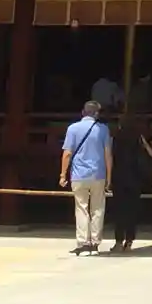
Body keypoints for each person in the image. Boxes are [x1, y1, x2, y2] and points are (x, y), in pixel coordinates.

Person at [60, 101, 113, 256]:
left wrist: (63, 174)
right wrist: (109, 177)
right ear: (97, 114)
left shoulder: (72, 128)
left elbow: (67, 153)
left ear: (83, 112)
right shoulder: (103, 129)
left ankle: (83, 242)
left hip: (78, 174)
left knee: (81, 208)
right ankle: (95, 243)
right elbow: (108, 155)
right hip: (98, 174)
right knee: (98, 208)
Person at [109, 113, 152, 253]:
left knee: (119, 211)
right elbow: (151, 154)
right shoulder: (138, 137)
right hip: (135, 178)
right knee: (132, 211)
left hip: (119, 178)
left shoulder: (116, 137)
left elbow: (111, 157)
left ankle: (118, 241)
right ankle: (129, 241)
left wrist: (109, 178)